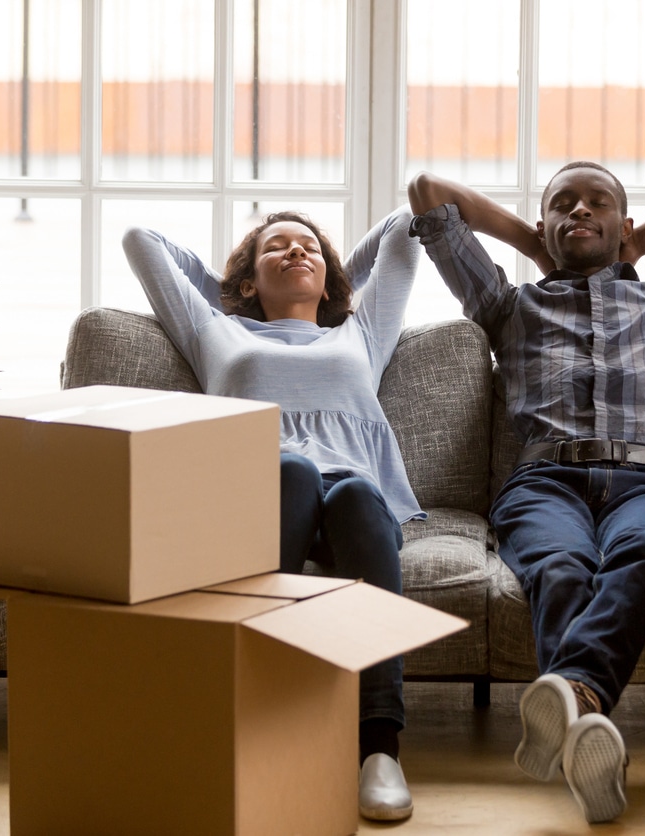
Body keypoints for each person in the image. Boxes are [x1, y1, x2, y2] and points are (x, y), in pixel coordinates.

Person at [407, 157, 645, 824]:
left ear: (622, 222)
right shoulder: (507, 306)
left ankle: (575, 706)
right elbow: (430, 197)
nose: (579, 211)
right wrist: (531, 240)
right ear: (544, 226)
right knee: (561, 566)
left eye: (596, 202)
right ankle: (591, 721)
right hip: (545, 482)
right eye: (562, 205)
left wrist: (641, 240)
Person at [122, 205, 423, 822]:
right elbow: (141, 240)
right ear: (246, 282)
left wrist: (333, 271)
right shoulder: (215, 330)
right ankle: (254, 723)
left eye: (308, 247)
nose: (295, 252)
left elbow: (406, 227)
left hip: (351, 498)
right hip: (260, 493)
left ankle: (378, 749)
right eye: (277, 248)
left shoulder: (361, 333)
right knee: (295, 470)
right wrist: (231, 289)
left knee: (357, 494)